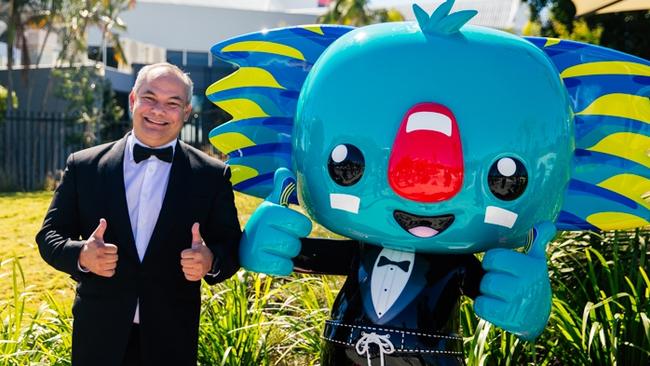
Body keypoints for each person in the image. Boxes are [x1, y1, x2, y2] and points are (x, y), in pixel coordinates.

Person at [36, 62, 241, 366]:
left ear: (186, 112)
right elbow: (49, 236)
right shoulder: (85, 167)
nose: (158, 111)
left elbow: (231, 247)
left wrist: (211, 261)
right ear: (133, 100)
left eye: (172, 103)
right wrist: (82, 255)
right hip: (98, 337)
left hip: (171, 339)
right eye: (150, 98)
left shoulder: (212, 175)